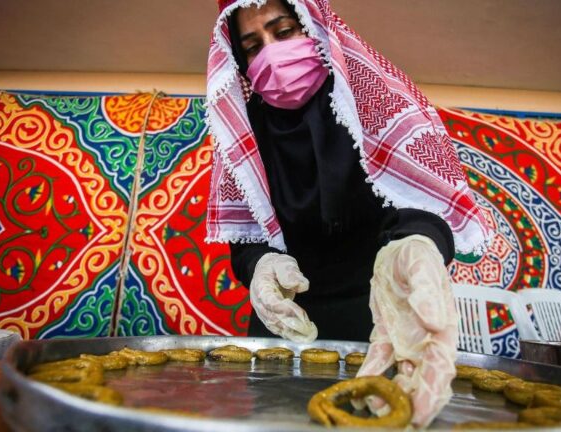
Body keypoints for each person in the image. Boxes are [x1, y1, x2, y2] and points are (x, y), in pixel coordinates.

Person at [205, 0, 492, 426]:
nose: (269, 52)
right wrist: (262, 264)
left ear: (315, 29)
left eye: (283, 31)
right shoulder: (246, 132)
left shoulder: (375, 105)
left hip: (377, 318)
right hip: (286, 328)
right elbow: (247, 235)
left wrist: (414, 243)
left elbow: (416, 200)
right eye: (252, 46)